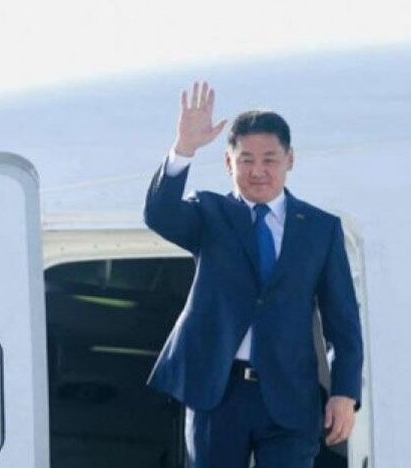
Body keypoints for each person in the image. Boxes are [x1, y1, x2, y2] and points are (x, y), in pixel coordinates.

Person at [143, 81, 364, 467]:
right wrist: (184, 148)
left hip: (290, 396)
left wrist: (344, 393)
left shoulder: (320, 229)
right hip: (218, 392)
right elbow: (160, 214)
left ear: (290, 160)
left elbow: (342, 321)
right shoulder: (209, 214)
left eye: (269, 159)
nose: (258, 171)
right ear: (228, 163)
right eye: (246, 160)